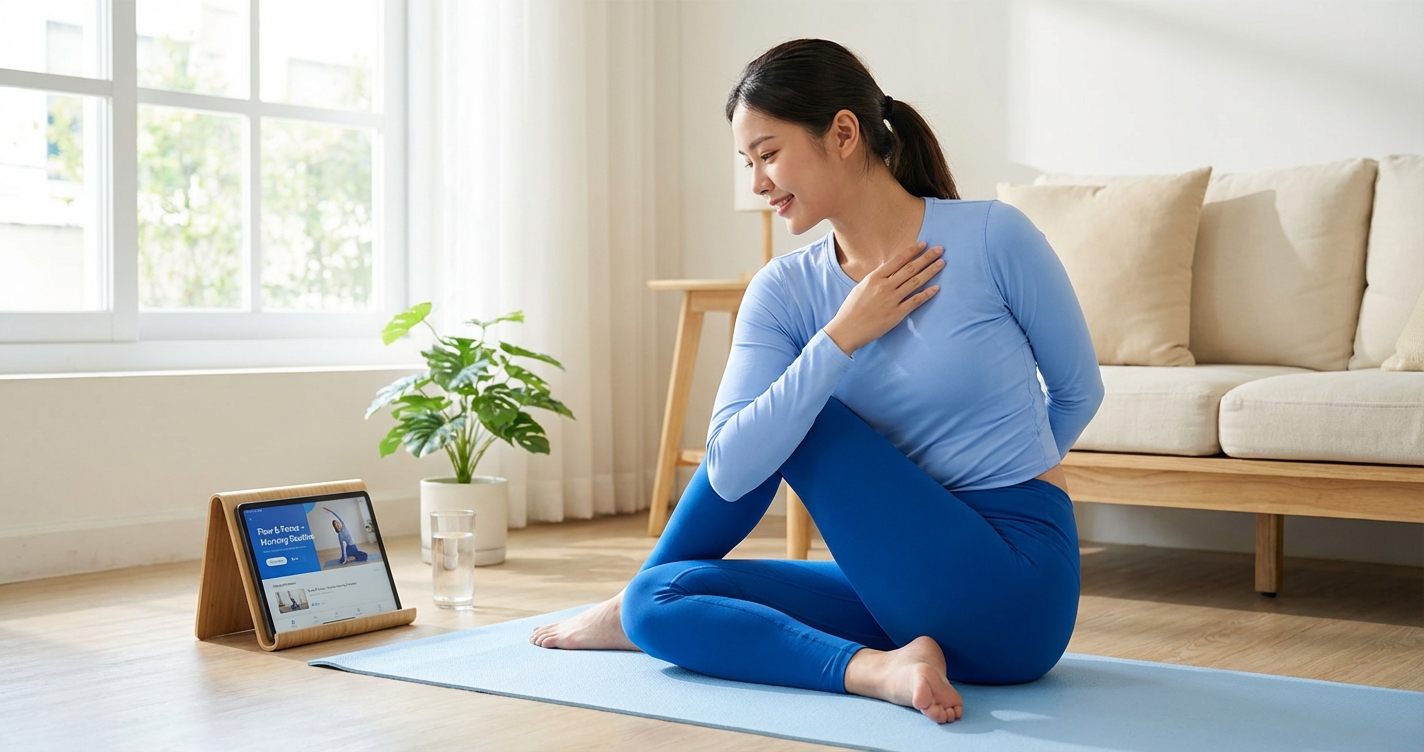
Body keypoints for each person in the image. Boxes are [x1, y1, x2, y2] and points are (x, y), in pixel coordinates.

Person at [530, 38, 1103, 724]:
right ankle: (882, 671)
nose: (757, 182)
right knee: (661, 600)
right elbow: (734, 465)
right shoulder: (784, 290)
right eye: (747, 162)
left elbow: (1078, 392)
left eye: (768, 154)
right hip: (898, 588)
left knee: (807, 422)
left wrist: (977, 482)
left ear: (842, 133)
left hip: (1015, 584)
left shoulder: (991, 238)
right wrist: (837, 339)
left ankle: (620, 609)